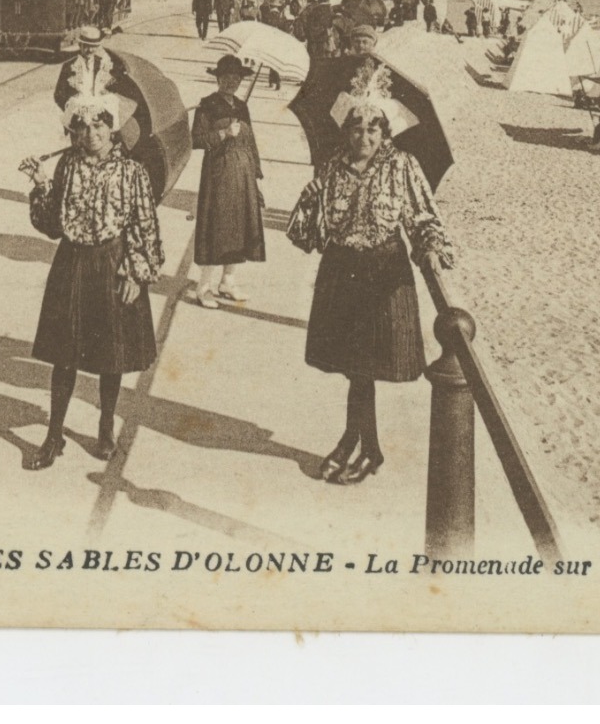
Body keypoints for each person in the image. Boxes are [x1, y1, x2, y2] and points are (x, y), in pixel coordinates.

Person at [286, 60, 454, 485]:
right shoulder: (331, 167)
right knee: (352, 367)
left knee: (364, 368)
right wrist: (309, 203)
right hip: (341, 273)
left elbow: (424, 218)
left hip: (383, 274)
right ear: (347, 130)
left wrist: (431, 250)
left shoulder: (402, 165)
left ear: (385, 132)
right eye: (357, 128)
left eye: (373, 129)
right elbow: (303, 232)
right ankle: (359, 444)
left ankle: (361, 447)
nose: (364, 136)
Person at [24, 71, 163, 470]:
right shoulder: (66, 168)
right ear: (72, 131)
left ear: (112, 127)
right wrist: (40, 185)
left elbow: (145, 227)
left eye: (99, 124)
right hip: (72, 265)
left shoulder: (131, 172)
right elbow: (52, 226)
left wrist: (136, 273)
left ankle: (105, 427)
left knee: (110, 356)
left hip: (113, 266)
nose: (91, 133)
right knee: (63, 357)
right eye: (81, 126)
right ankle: (54, 435)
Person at [190, 55, 267, 310]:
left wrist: (255, 174)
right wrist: (223, 133)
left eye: (236, 78)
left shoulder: (242, 106)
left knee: (239, 227)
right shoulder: (207, 106)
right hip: (219, 173)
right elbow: (197, 139)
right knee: (217, 228)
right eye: (226, 78)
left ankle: (228, 281)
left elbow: (251, 141)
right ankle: (204, 286)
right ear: (218, 79)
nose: (231, 82)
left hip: (242, 173)